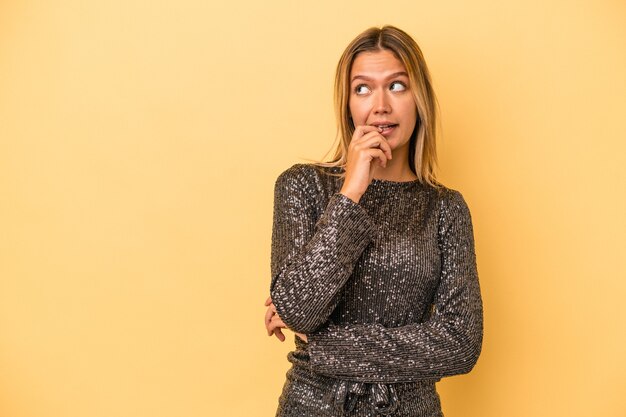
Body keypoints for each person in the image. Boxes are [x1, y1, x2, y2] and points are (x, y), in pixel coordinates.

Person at [264, 25, 483, 417]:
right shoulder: (302, 186)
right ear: (347, 103)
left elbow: (460, 342)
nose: (379, 105)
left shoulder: (445, 208)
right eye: (363, 88)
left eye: (396, 86)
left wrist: (324, 344)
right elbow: (299, 310)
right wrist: (350, 193)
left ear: (420, 99)